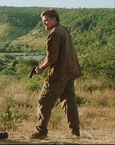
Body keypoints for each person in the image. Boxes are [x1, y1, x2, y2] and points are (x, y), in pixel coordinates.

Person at [31, 9, 82, 139]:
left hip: (58, 75)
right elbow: (51, 56)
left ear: (55, 19)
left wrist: (41, 68)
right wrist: (42, 65)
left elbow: (51, 58)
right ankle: (75, 132)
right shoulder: (63, 30)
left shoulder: (54, 33)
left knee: (44, 101)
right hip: (70, 73)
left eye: (46, 20)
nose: (45, 24)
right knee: (69, 102)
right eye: (43, 22)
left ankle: (41, 131)